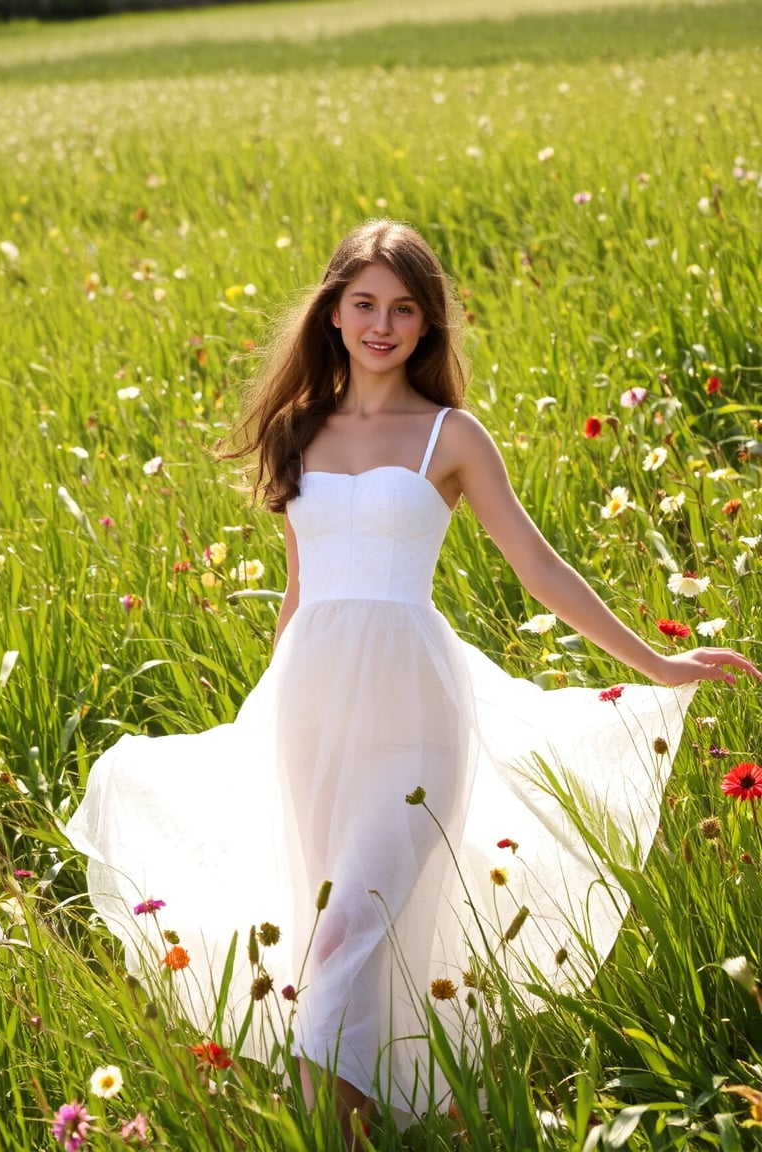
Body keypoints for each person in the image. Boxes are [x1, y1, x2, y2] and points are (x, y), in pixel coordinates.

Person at [66, 219, 761, 1144]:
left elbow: (541, 571)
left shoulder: (451, 435)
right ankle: (387, 1127)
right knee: (336, 940)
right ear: (335, 312)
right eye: (365, 305)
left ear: (428, 325)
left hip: (414, 705)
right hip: (311, 708)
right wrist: (259, 718)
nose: (382, 324)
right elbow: (302, 592)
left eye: (403, 309)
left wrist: (658, 661)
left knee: (352, 926)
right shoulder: (295, 431)